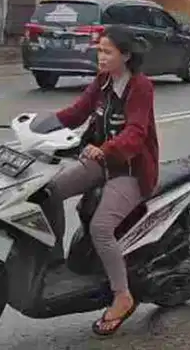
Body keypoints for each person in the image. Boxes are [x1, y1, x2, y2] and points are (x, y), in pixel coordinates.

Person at [40, 26, 158, 337]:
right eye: (100, 50)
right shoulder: (103, 81)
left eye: (107, 52)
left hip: (130, 170)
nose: (100, 56)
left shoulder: (140, 87)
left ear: (126, 56)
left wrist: (105, 150)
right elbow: (77, 112)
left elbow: (135, 134)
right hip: (101, 160)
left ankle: (122, 296)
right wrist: (39, 124)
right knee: (49, 191)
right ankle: (53, 259)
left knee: (101, 228)